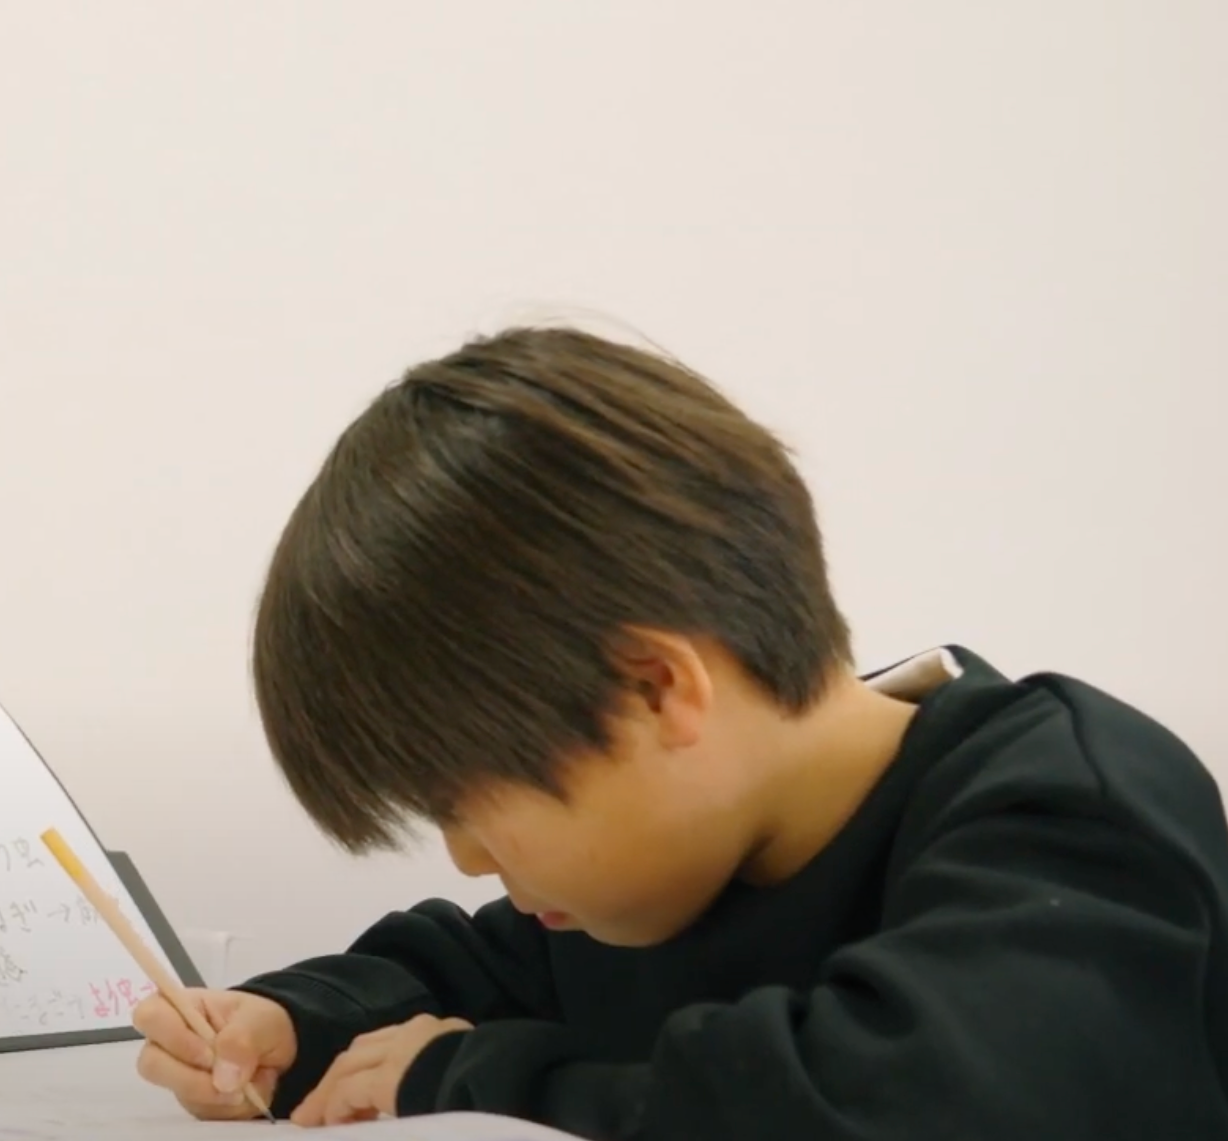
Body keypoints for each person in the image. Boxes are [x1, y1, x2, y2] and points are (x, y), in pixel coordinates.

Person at [133, 326, 1228, 1136]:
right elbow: (466, 967)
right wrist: (295, 1023)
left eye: (465, 803)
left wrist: (468, 1081)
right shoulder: (659, 884)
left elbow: (891, 1106)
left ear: (654, 692)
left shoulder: (1071, 811)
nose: (465, 856)